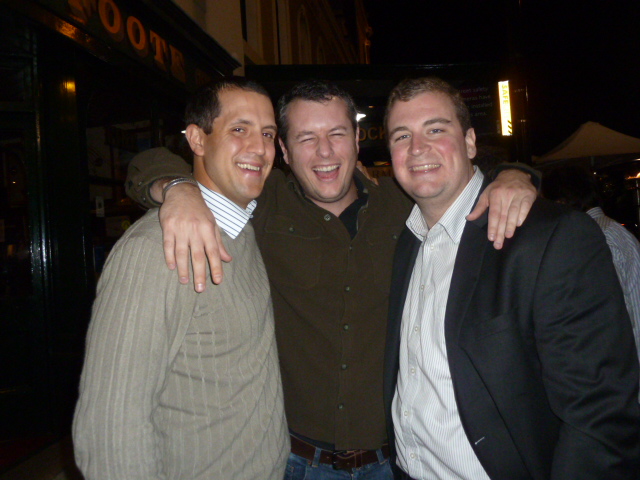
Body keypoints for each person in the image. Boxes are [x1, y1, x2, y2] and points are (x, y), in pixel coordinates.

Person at [126, 80, 538, 479]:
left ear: (357, 139)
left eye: (337, 134)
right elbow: (150, 162)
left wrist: (515, 175)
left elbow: (462, 173)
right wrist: (179, 189)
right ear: (283, 150)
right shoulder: (264, 203)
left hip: (396, 460)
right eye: (306, 138)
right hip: (295, 461)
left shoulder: (405, 206)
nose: (324, 151)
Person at [383, 77, 640, 480]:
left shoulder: (551, 236)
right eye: (402, 136)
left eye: (435, 129)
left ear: (470, 142)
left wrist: (515, 173)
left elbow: (600, 415)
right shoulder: (406, 240)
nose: (417, 148)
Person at [72, 78, 289, 480]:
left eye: (267, 133)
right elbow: (109, 433)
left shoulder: (242, 228)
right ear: (197, 139)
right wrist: (177, 186)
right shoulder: (156, 249)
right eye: (239, 129)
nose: (259, 148)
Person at [542, 164, 640, 396]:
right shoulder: (612, 230)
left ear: (561, 201)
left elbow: (605, 320)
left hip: (624, 373)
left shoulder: (591, 237)